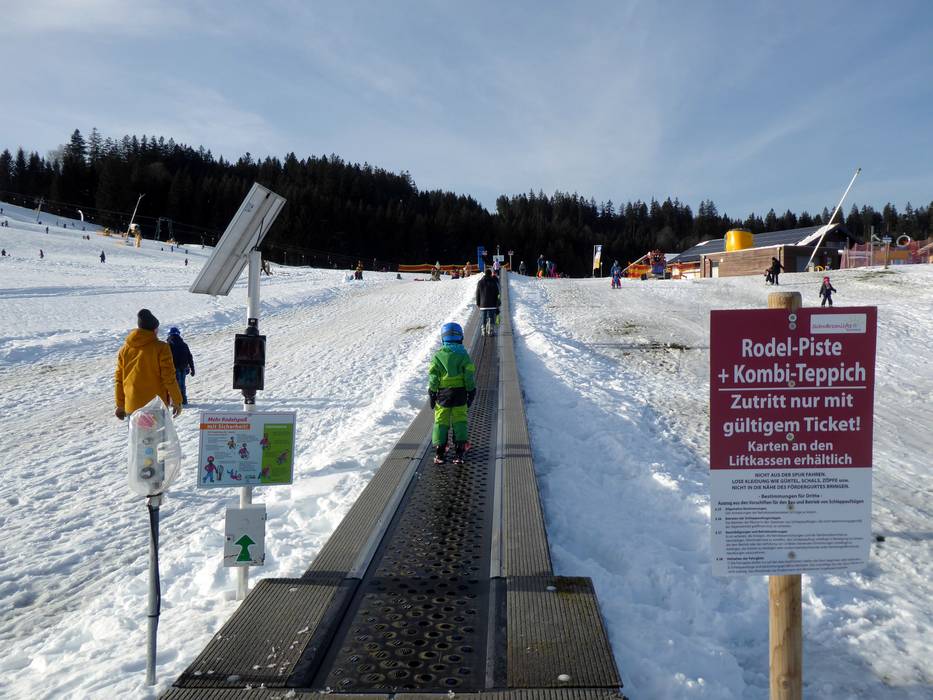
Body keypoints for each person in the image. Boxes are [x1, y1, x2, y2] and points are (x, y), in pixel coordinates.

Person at [113, 309, 183, 420]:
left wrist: (120, 404)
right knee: (158, 432)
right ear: (154, 329)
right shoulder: (161, 348)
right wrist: (177, 400)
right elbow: (169, 377)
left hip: (132, 406)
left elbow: (119, 379)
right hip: (155, 406)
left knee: (136, 432)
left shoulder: (124, 350)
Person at [428, 322, 476, 465]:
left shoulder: (438, 356)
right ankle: (459, 452)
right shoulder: (464, 355)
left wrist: (432, 391)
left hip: (443, 394)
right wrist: (471, 390)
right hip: (460, 393)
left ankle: (440, 452)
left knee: (441, 421)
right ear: (460, 337)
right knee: (460, 420)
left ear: (443, 338)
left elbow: (433, 376)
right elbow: (468, 375)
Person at [166, 326, 196, 405]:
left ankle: (176, 401)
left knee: (174, 385)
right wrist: (192, 369)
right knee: (182, 384)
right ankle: (183, 400)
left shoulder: (168, 345)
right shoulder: (184, 344)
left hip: (173, 368)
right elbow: (189, 357)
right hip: (184, 368)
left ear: (169, 334)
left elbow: (165, 358)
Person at [476, 267, 500, 336]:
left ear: (484, 274)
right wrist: (497, 303)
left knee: (483, 318)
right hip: (492, 304)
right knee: (491, 317)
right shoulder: (494, 282)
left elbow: (477, 293)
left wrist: (478, 303)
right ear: (490, 274)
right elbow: (497, 293)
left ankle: (483, 331)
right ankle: (490, 331)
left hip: (483, 304)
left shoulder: (480, 282)